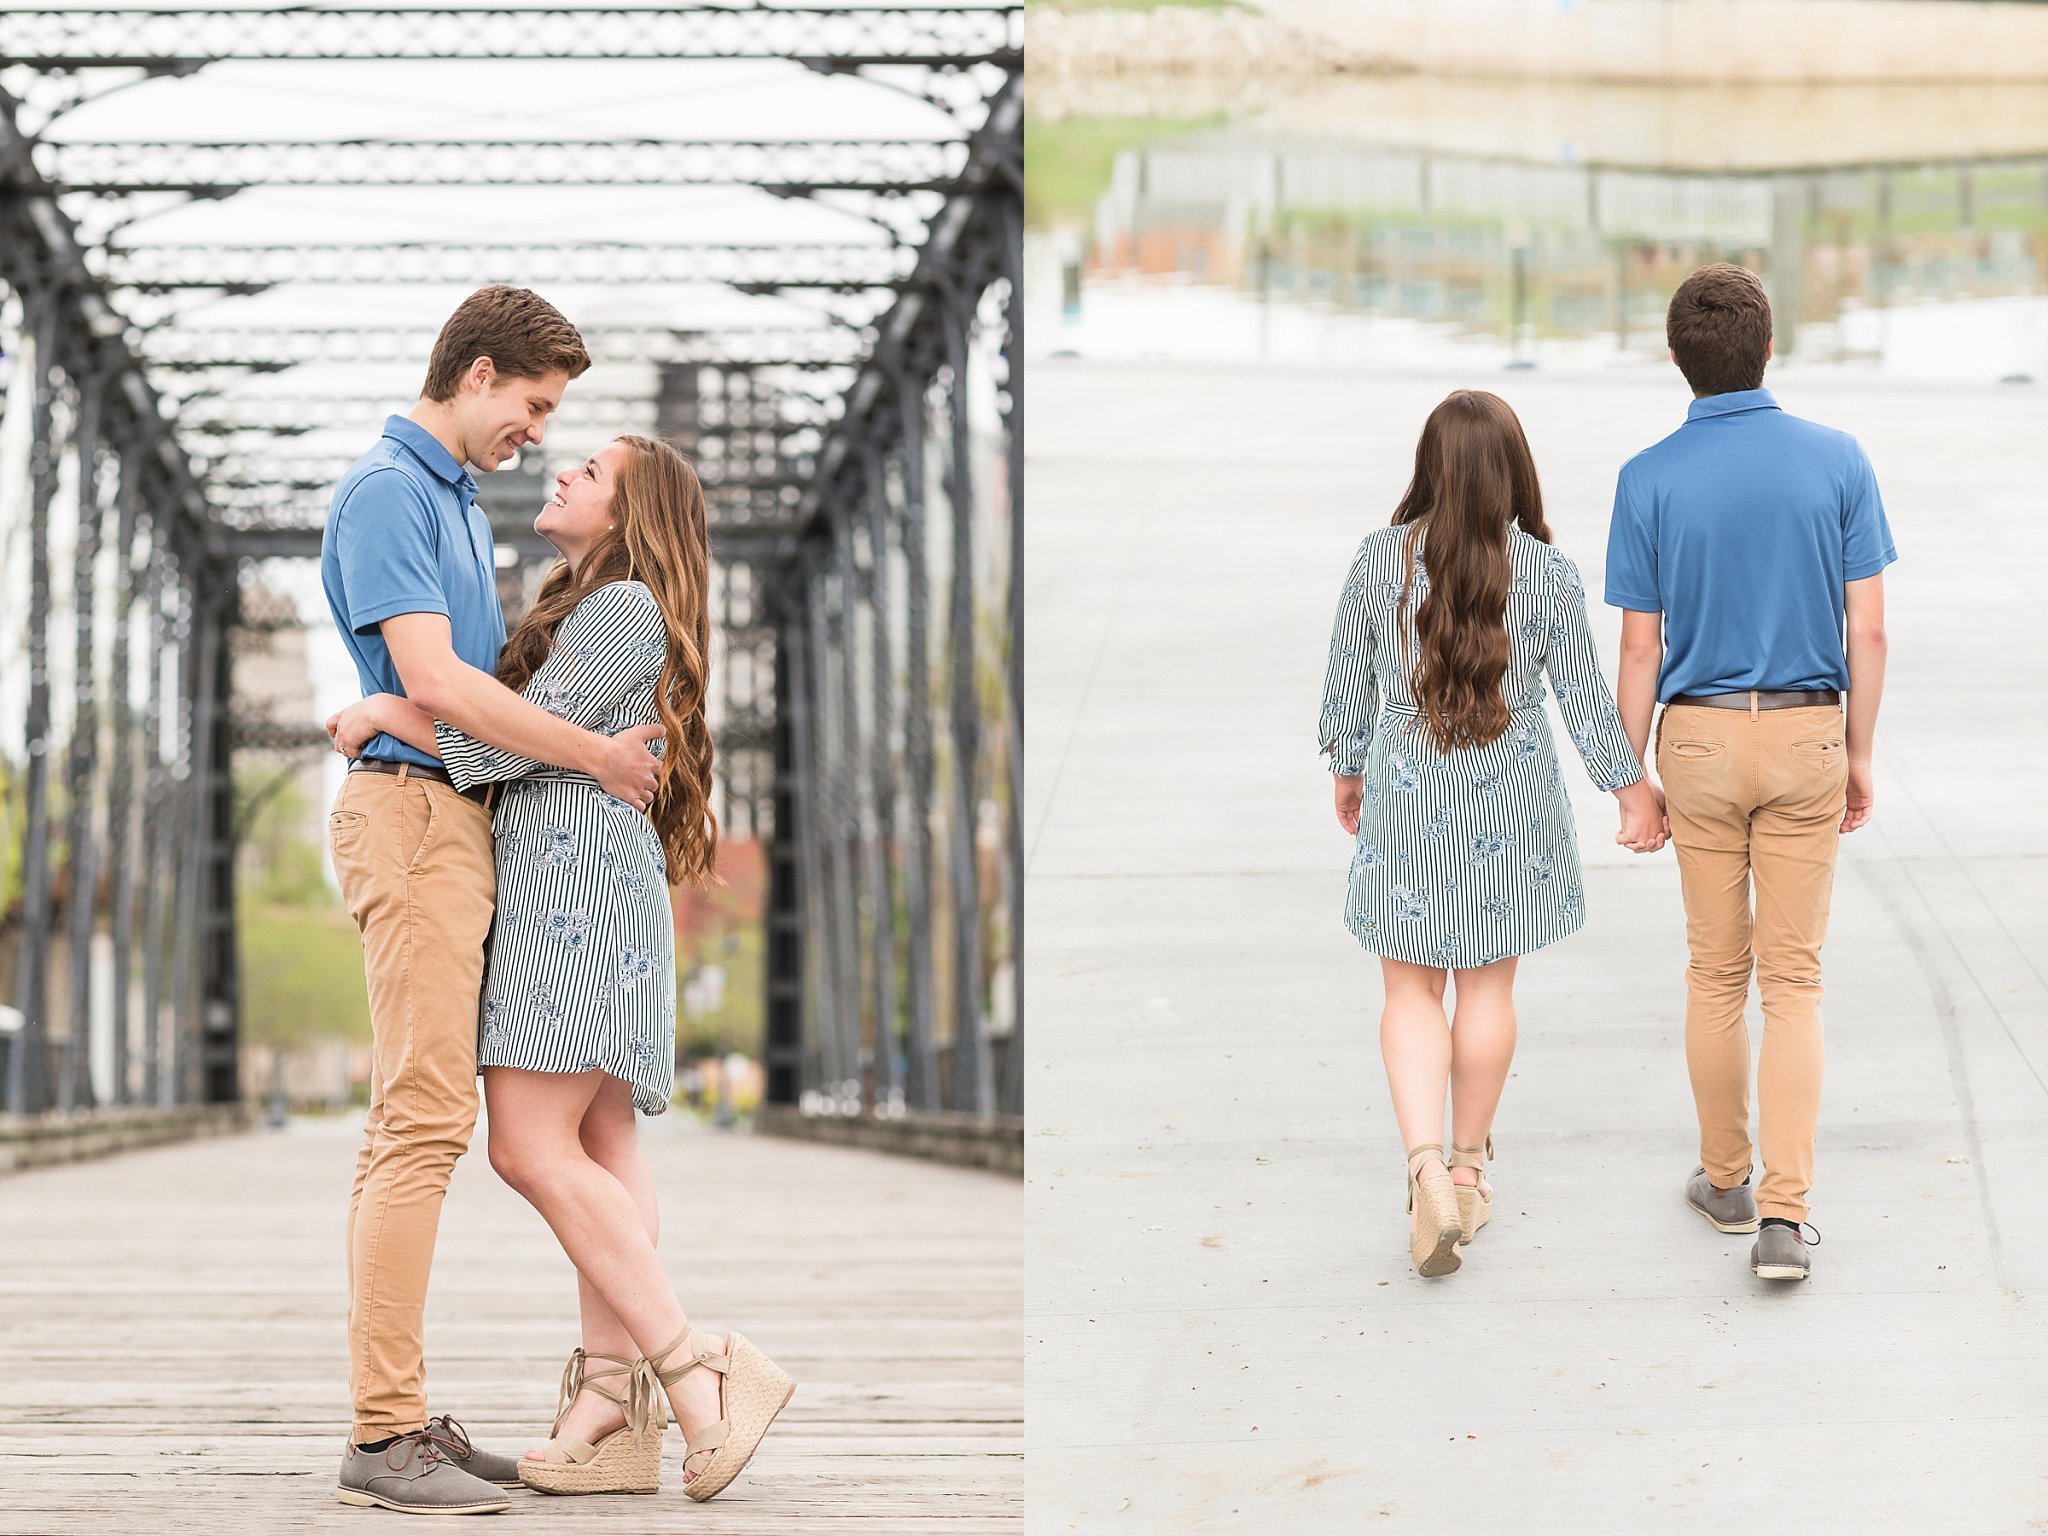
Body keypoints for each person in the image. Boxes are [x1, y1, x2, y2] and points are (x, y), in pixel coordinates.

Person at [330, 435, 796, 1503]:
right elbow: (539, 735)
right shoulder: (599, 607)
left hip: (570, 892)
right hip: (588, 883)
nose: (562, 469)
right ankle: (608, 1412)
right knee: (600, 1143)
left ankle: (696, 1372)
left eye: (590, 470)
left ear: (630, 514)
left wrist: (386, 712)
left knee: (528, 1147)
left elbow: (503, 749)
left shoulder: (622, 607)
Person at [321, 285, 666, 1515]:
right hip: (415, 818)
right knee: (419, 1120)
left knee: (431, 1121)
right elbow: (437, 681)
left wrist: (396, 710)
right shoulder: (391, 491)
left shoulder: (456, 500)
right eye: (532, 404)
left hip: (453, 817)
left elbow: (460, 699)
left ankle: (414, 1418)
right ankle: (384, 1432)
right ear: (475, 374)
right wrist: (594, 756)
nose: (537, 431)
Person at [1318, 389, 1665, 1279]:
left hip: (1407, 787)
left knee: (1409, 989)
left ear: (1428, 469)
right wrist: (1632, 790)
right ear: (1514, 471)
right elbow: (1585, 699)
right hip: (1511, 795)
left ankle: (1423, 1167)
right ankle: (1468, 1169)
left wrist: (1348, 766)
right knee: (1487, 988)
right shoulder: (1546, 573)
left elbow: (1349, 679)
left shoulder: (1380, 560)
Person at [1606, 262, 1894, 1283]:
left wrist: (1630, 782)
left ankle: (1724, 1180)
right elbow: (1867, 629)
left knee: (1715, 972)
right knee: (1794, 981)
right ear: (1769, 349)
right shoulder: (1837, 460)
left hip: (1696, 740)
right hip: (1810, 732)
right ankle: (1783, 1216)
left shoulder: (1646, 477)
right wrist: (1858, 753)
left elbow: (1638, 648)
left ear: (1676, 358)